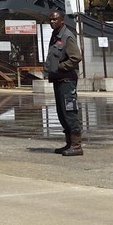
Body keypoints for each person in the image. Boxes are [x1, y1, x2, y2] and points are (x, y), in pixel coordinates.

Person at [46, 9, 84, 156]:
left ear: (62, 20)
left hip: (67, 80)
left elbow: (76, 57)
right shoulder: (55, 36)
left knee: (69, 112)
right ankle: (69, 143)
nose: (52, 22)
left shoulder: (67, 36)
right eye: (50, 19)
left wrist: (59, 67)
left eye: (55, 19)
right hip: (58, 79)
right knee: (61, 113)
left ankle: (76, 145)